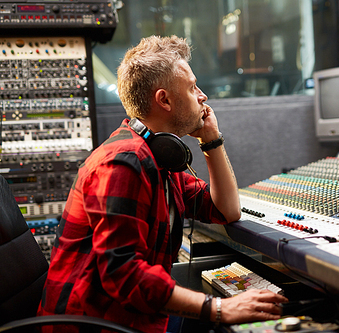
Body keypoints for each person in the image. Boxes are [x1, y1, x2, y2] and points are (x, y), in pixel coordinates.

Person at [37, 35, 288, 333]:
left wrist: (212, 140)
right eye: (193, 87)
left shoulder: (158, 160)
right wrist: (219, 308)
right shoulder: (123, 162)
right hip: (98, 325)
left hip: (134, 319)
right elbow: (123, 275)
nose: (202, 96)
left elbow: (227, 210)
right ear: (164, 100)